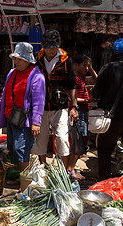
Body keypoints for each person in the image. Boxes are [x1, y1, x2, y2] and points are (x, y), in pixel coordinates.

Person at [0, 42, 46, 182]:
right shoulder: (12, 73)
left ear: (28, 59)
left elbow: (39, 102)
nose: (16, 61)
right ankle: (19, 177)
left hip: (25, 120)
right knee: (13, 148)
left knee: (21, 151)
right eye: (15, 58)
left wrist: (36, 122)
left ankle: (26, 182)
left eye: (20, 59)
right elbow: (4, 95)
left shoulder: (37, 77)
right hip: (12, 117)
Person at [91, 36, 123, 180]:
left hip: (111, 119)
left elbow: (96, 93)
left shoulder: (107, 68)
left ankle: (104, 182)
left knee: (105, 151)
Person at [31, 29, 79, 167]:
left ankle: (62, 170)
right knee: (40, 138)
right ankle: (42, 166)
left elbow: (72, 84)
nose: (51, 50)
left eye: (54, 46)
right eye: (48, 46)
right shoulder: (36, 59)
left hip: (61, 107)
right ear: (42, 45)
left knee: (62, 138)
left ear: (59, 44)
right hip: (41, 108)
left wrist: (74, 107)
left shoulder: (66, 60)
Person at [67, 54, 97, 180]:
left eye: (87, 65)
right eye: (84, 65)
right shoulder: (74, 78)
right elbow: (70, 97)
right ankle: (70, 169)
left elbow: (97, 80)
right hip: (78, 112)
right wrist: (86, 100)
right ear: (76, 65)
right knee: (78, 140)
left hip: (83, 112)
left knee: (81, 140)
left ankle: (71, 166)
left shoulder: (82, 77)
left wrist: (90, 68)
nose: (86, 68)